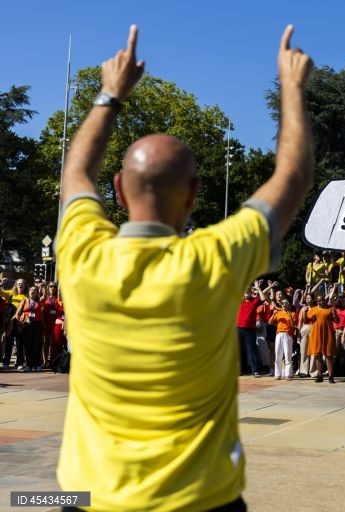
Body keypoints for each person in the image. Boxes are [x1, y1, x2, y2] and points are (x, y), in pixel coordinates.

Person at [54, 25, 313, 511]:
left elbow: (74, 171)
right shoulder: (214, 258)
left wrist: (111, 92)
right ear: (193, 194)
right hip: (199, 498)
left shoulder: (83, 252)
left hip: (89, 495)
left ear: (119, 188)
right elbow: (292, 177)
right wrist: (291, 86)